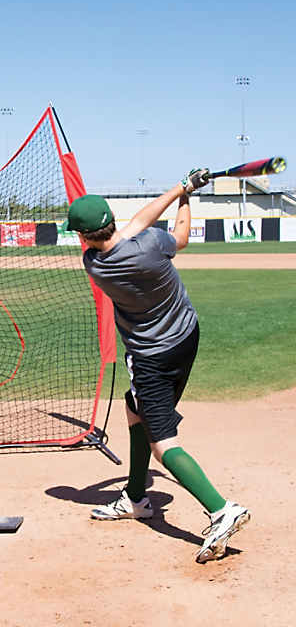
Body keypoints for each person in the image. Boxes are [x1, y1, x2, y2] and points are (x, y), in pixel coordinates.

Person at [64, 170, 250, 563]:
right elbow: (171, 234)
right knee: (135, 408)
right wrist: (185, 195)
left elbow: (134, 226)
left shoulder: (94, 264)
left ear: (84, 237)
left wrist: (182, 188)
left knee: (161, 442)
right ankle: (135, 497)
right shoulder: (151, 245)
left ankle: (221, 509)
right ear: (111, 219)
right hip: (186, 336)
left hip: (151, 356)